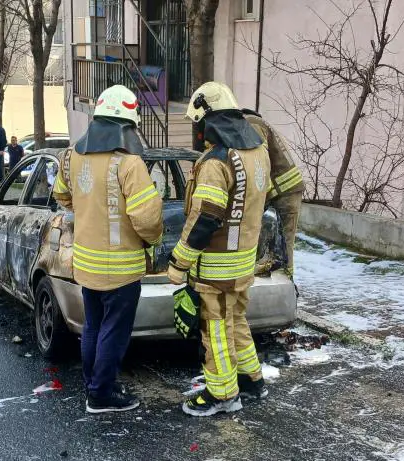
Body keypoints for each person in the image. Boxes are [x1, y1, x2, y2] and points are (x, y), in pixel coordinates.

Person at [52, 85, 163, 414]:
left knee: (94, 327)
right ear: (126, 125)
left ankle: (93, 386)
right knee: (114, 332)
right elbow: (147, 219)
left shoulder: (71, 155)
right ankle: (101, 395)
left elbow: (62, 196)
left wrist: (88, 209)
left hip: (87, 264)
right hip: (122, 268)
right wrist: (153, 241)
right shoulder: (129, 164)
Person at [168, 82, 270, 417]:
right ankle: (251, 379)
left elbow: (206, 218)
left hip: (216, 269)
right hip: (243, 262)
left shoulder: (216, 161)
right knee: (236, 321)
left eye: (197, 124)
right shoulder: (257, 152)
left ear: (207, 121)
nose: (196, 132)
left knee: (216, 331)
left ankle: (223, 395)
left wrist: (179, 262)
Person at [242, 109, 304, 277]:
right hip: (280, 189)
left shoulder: (251, 124)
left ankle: (287, 281)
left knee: (285, 241)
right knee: (267, 236)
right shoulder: (255, 123)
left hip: (286, 192)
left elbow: (260, 162)